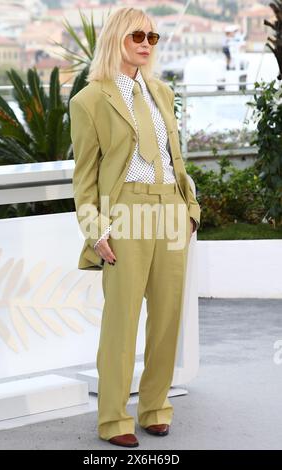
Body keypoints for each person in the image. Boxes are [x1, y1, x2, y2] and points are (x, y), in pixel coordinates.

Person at [69, 6, 201, 448]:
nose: (145, 44)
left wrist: (190, 209)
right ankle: (112, 419)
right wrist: (96, 228)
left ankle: (156, 408)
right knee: (121, 323)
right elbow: (85, 178)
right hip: (124, 213)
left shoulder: (162, 93)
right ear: (116, 39)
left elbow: (174, 158)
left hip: (170, 212)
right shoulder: (89, 100)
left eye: (152, 37)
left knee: (167, 320)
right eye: (136, 36)